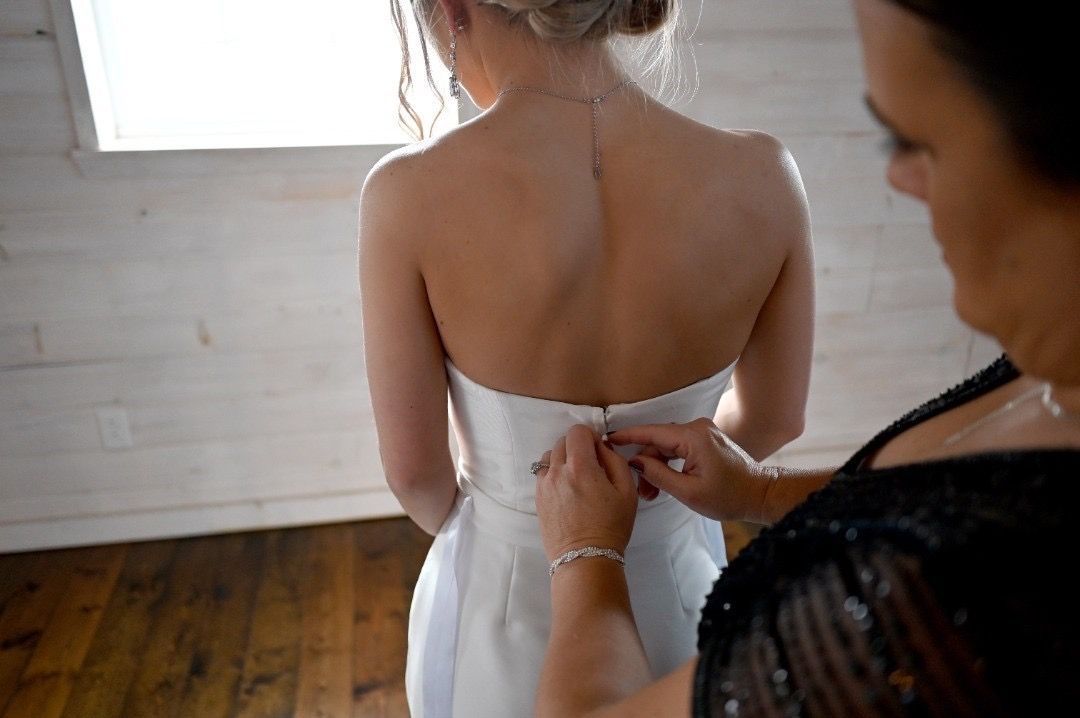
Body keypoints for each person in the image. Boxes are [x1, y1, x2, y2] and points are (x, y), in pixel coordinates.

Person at [532, 0, 1080, 715]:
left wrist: (585, 553)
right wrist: (760, 492)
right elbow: (920, 485)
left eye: (915, 141)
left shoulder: (921, 610)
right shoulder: (1050, 370)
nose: (899, 178)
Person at [359, 0, 814, 714]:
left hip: (505, 594)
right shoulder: (765, 174)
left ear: (451, 10)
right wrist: (659, 489)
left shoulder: (405, 193)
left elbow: (414, 474)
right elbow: (776, 418)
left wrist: (509, 516)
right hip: (682, 583)